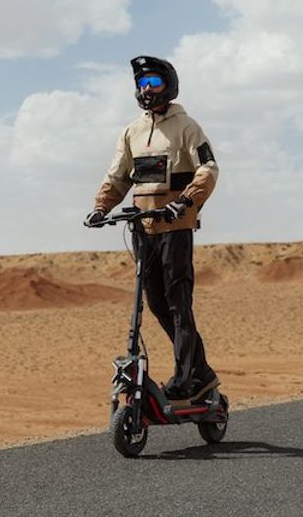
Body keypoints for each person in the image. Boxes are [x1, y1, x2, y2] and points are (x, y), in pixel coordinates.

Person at [84, 55, 220, 403]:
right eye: (142, 85)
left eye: (154, 83)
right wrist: (101, 207)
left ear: (169, 85)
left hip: (175, 226)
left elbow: (208, 168)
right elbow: (117, 176)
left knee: (178, 304)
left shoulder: (186, 127)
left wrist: (187, 200)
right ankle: (201, 370)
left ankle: (189, 377)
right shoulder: (132, 132)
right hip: (142, 229)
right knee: (156, 304)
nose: (147, 90)